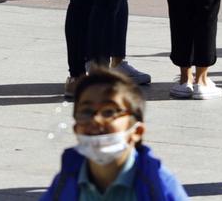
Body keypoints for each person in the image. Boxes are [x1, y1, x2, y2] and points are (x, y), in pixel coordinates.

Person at [37, 68, 191, 201]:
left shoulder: (158, 184)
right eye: (86, 112)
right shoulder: (66, 180)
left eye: (109, 112)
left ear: (137, 132)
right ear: (76, 129)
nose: (96, 119)